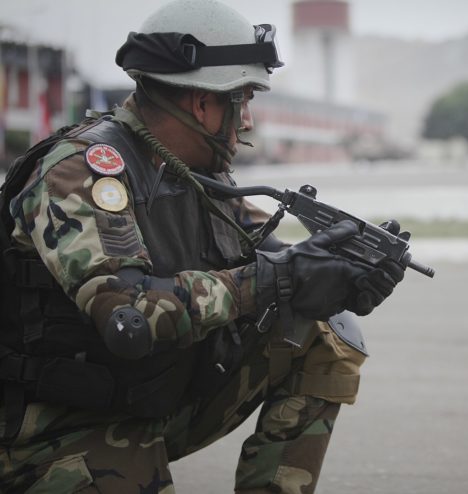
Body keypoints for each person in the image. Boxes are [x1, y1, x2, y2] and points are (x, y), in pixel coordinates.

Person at [0, 0, 405, 492]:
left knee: (325, 327)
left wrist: (343, 279)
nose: (249, 120)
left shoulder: (192, 172)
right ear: (202, 103)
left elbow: (273, 257)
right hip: (49, 427)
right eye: (244, 99)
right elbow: (129, 319)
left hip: (139, 396)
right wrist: (281, 275)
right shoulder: (86, 171)